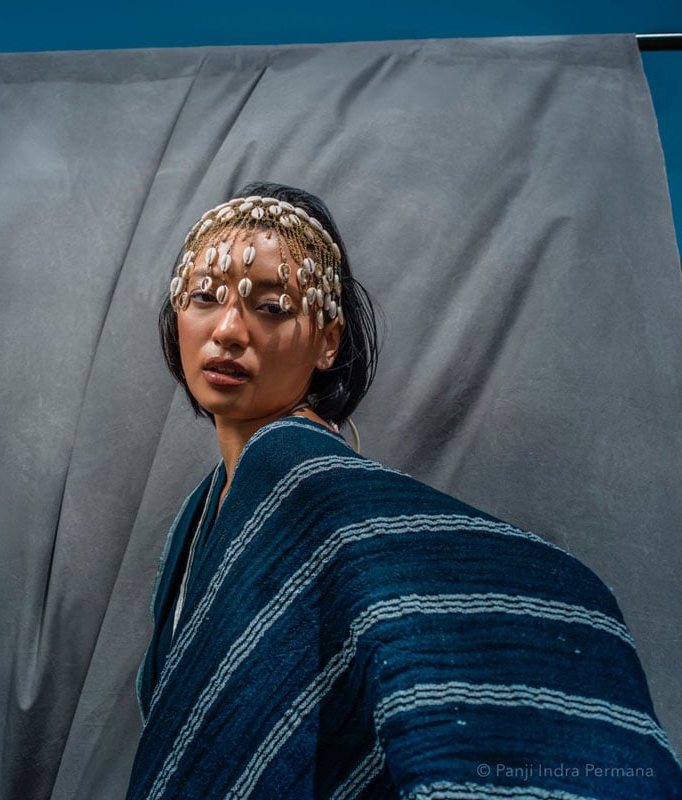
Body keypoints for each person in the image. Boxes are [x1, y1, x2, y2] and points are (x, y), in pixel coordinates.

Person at [125, 183, 682, 800]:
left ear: (328, 340)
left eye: (273, 306)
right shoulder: (201, 513)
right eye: (205, 296)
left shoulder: (303, 483)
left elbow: (544, 606)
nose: (229, 329)